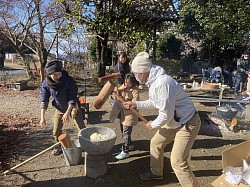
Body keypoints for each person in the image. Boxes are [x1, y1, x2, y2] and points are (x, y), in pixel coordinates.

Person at [123, 52, 201, 187]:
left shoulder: (163, 83)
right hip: (174, 120)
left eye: (136, 73)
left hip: (188, 122)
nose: (135, 76)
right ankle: (156, 173)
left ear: (142, 72)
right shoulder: (153, 82)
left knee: (177, 162)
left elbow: (166, 115)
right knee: (155, 143)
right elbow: (154, 102)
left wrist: (153, 124)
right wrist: (135, 104)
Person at [40, 60, 86, 156]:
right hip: (60, 108)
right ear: (49, 75)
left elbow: (72, 97)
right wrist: (42, 117)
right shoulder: (46, 84)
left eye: (59, 74)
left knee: (81, 128)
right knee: (56, 131)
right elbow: (44, 99)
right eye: (55, 75)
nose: (58, 77)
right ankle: (59, 146)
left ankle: (87, 145)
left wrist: (68, 112)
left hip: (73, 107)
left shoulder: (69, 80)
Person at [109, 73, 139, 160]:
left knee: (126, 133)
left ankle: (125, 151)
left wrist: (129, 104)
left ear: (132, 82)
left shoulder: (135, 91)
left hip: (130, 115)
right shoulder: (123, 87)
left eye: (128, 83)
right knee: (124, 131)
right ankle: (129, 145)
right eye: (125, 83)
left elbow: (135, 103)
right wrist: (115, 91)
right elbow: (117, 92)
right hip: (122, 114)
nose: (126, 85)